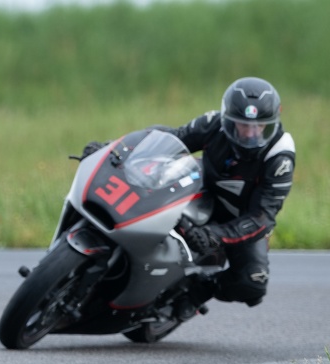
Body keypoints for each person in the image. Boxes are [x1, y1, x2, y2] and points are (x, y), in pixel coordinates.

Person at [82, 76, 295, 309]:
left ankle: (193, 294)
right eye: (242, 125)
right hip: (200, 189)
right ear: (228, 119)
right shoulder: (213, 123)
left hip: (240, 218)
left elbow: (262, 218)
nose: (250, 134)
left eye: (259, 127)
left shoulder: (280, 158)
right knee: (139, 195)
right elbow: (170, 137)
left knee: (253, 283)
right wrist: (112, 150)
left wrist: (215, 235)